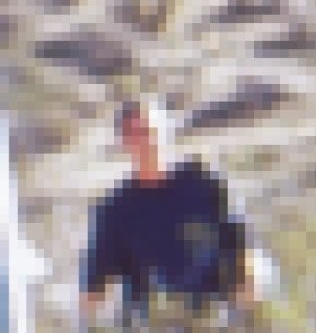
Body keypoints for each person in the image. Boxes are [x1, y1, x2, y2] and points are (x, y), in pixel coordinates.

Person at [79, 98, 247, 320]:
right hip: (151, 328)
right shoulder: (115, 210)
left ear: (166, 133)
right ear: (124, 142)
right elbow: (94, 286)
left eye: (150, 131)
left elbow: (241, 242)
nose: (145, 142)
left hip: (213, 317)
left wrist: (247, 290)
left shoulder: (205, 182)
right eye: (135, 134)